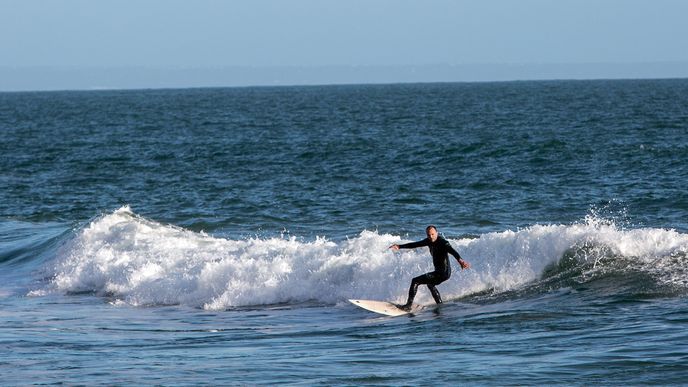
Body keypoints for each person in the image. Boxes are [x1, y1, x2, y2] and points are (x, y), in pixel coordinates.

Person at [390, 225, 470, 310]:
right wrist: (399, 246)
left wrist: (460, 260)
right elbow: (415, 244)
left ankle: (408, 305)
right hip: (440, 272)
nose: (431, 237)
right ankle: (440, 305)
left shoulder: (443, 243)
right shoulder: (428, 241)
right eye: (429, 235)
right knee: (430, 284)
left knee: (415, 281)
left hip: (443, 273)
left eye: (432, 234)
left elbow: (453, 251)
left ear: (437, 233)